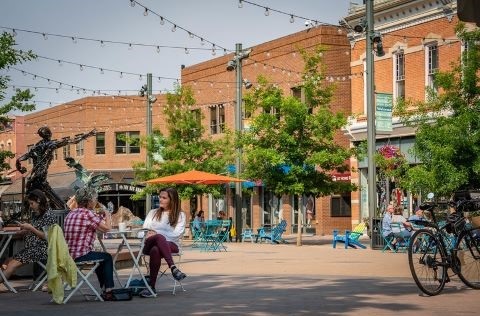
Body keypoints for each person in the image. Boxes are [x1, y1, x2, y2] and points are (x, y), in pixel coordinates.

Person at [15, 126, 96, 210]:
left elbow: (20, 159)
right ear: (48, 134)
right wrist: (86, 135)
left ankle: (28, 211)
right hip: (40, 173)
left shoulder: (37, 146)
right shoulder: (49, 144)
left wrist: (20, 167)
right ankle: (64, 210)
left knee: (34, 192)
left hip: (36, 174)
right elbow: (71, 141)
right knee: (43, 191)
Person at [63, 187, 114, 301]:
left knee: (100, 258)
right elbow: (107, 229)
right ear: (89, 201)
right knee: (107, 257)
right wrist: (107, 213)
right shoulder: (87, 214)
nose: (95, 201)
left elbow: (92, 224)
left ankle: (104, 288)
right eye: (94, 199)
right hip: (81, 255)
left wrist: (99, 216)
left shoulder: (71, 214)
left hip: (69, 255)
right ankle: (109, 290)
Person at [0, 189, 56, 286]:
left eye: (31, 203)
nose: (30, 206)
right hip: (33, 248)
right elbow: (35, 230)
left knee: (12, 264)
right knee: (7, 261)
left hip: (41, 249)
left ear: (38, 200)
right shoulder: (37, 214)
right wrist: (24, 231)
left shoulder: (48, 215)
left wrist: (31, 228)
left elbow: (47, 236)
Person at [141, 187, 187, 298]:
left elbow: (177, 234)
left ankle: (152, 288)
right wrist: (149, 234)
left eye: (164, 198)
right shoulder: (153, 213)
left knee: (156, 249)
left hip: (171, 245)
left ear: (172, 200)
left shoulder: (180, 215)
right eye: (160, 197)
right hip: (149, 244)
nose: (160, 200)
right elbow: (141, 233)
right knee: (158, 239)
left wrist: (157, 233)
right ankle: (173, 268)